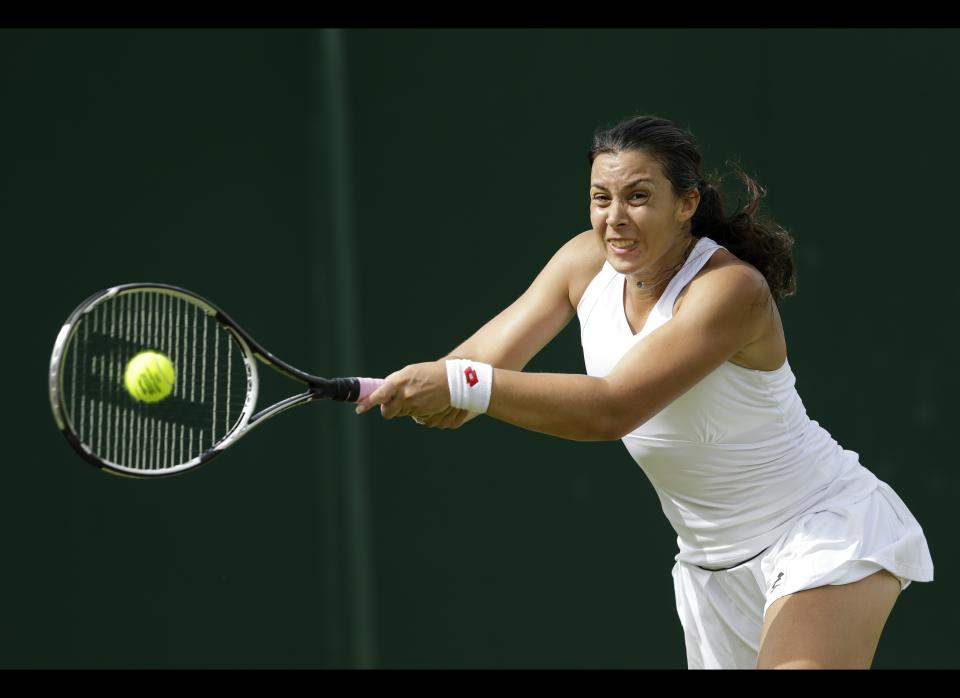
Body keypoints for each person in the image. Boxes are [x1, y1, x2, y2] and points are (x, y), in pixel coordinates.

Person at [354, 114, 934, 669]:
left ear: (687, 205)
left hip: (819, 527)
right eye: (600, 198)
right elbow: (476, 365)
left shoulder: (730, 290)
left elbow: (613, 408)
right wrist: (419, 385)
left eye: (637, 196)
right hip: (711, 567)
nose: (614, 218)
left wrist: (462, 385)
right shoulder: (582, 262)